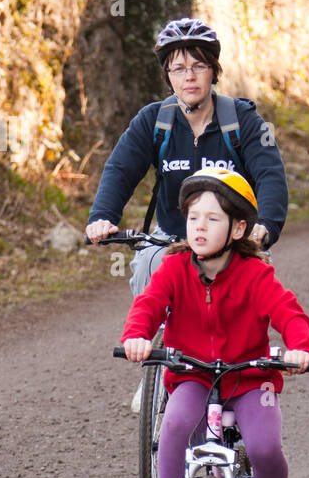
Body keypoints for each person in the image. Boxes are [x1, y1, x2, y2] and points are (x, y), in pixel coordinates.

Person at [121, 168, 309, 478]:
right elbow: (149, 305)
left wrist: (299, 348)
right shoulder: (174, 268)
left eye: (212, 219)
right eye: (193, 218)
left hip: (249, 378)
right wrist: (137, 336)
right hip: (193, 374)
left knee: (264, 446)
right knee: (173, 426)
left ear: (238, 227)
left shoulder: (254, 273)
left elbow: (288, 312)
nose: (200, 227)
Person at [86, 18, 290, 292]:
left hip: (235, 238)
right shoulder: (153, 120)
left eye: (198, 66)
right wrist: (102, 216)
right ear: (168, 76)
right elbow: (120, 170)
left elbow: (270, 173)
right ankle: (151, 335)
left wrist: (265, 224)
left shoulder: (243, 120)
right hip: (171, 237)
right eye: (179, 69)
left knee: (250, 298)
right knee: (149, 268)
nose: (189, 77)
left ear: (214, 72)